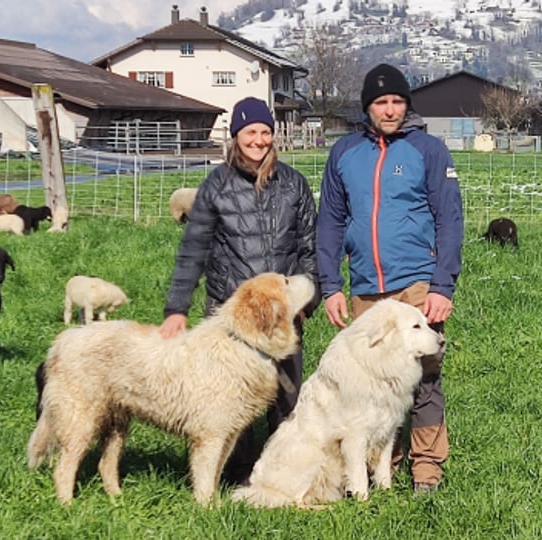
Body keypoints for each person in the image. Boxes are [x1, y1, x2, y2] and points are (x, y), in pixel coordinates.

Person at [316, 63, 463, 495]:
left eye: (398, 101)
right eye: (382, 102)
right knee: (370, 384)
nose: (391, 109)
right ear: (368, 107)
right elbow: (330, 222)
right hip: (365, 287)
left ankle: (427, 470)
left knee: (424, 377)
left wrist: (442, 286)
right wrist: (330, 286)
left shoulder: (429, 151)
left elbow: (449, 221)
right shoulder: (344, 153)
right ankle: (381, 467)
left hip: (416, 282)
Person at [160, 96, 319, 485]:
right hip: (233, 316)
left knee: (287, 397)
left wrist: (305, 300)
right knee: (230, 399)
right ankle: (237, 475)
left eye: (266, 132)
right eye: (251, 132)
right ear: (236, 136)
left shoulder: (293, 184)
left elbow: (308, 248)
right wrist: (177, 307)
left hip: (281, 313)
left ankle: (282, 473)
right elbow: (193, 250)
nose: (259, 140)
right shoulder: (216, 186)